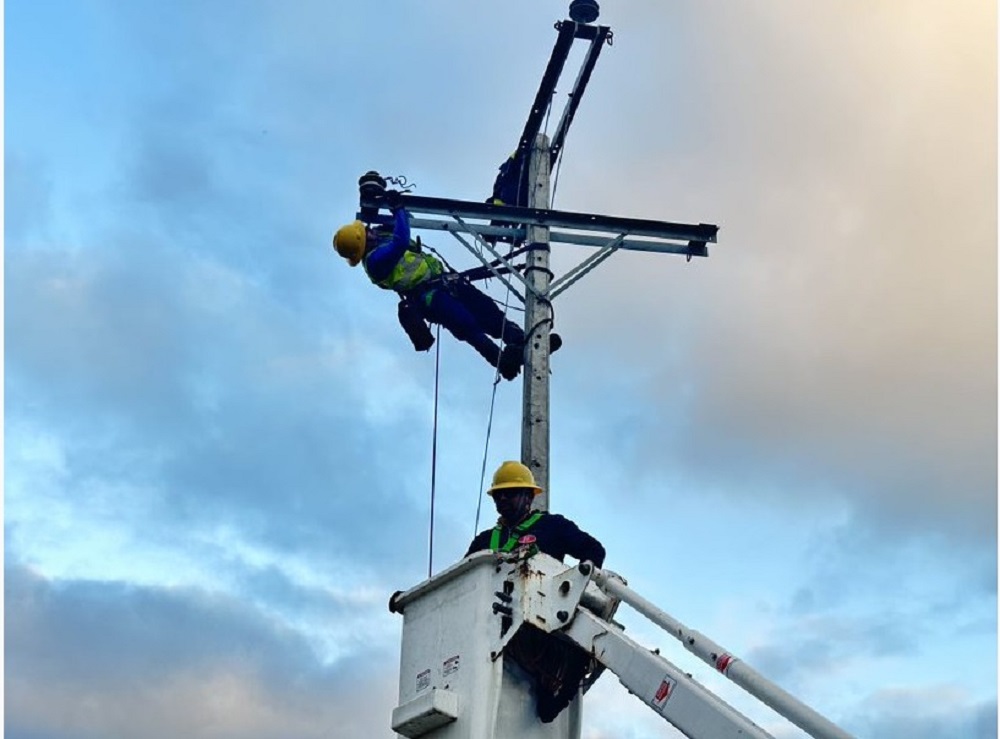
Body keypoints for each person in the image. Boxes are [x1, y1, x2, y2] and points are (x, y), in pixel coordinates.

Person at [333, 199, 551, 381]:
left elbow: (398, 226)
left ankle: (521, 341)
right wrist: (398, 208)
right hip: (429, 297)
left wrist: (390, 204)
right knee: (467, 324)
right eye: (366, 232)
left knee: (489, 313)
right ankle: (503, 362)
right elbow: (400, 242)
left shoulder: (380, 238)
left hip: (447, 282)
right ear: (363, 243)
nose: (370, 231)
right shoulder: (375, 261)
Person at [467, 460, 606, 723]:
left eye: (510, 493)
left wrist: (572, 587)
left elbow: (594, 551)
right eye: (499, 494)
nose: (503, 498)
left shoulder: (552, 527)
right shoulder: (484, 542)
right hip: (496, 621)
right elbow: (464, 580)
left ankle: (563, 681)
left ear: (529, 496)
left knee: (576, 653)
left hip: (543, 620)